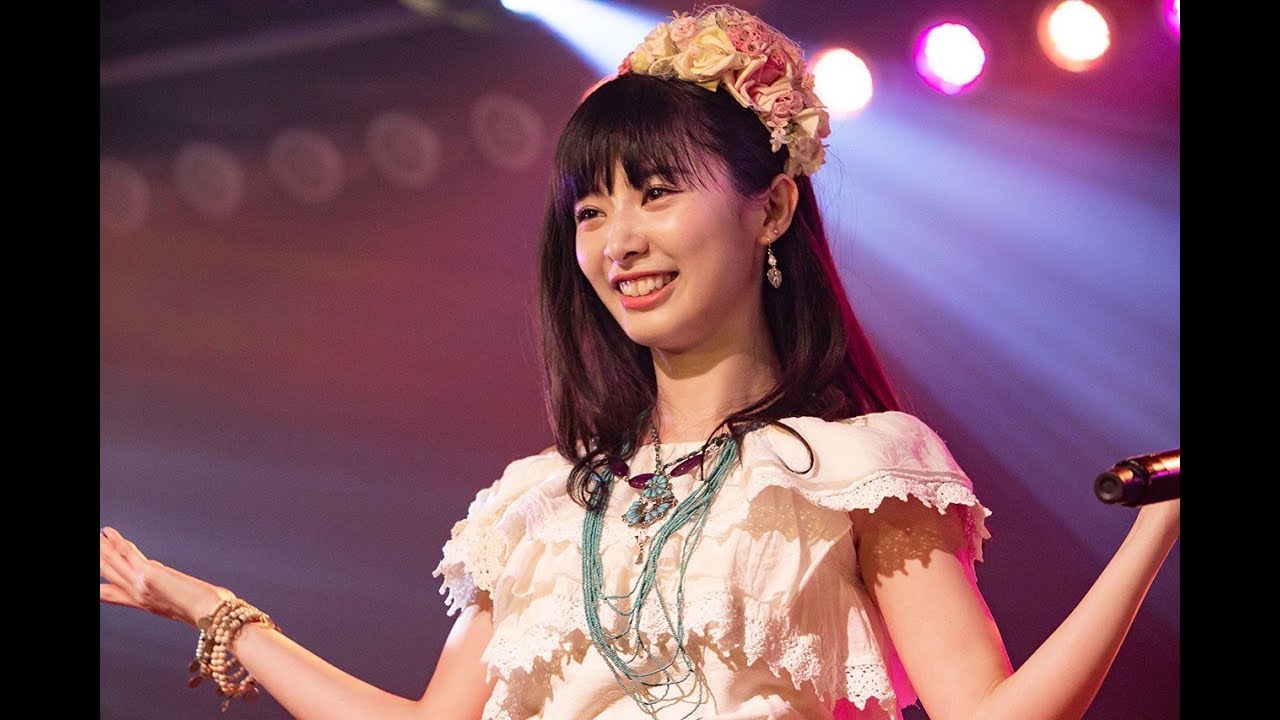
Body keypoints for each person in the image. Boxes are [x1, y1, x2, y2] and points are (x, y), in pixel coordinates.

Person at [99, 4, 1180, 719]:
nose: (617, 240)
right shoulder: (538, 502)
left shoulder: (856, 467)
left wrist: (1154, 529)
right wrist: (218, 612)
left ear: (771, 208)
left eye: (656, 193)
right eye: (590, 210)